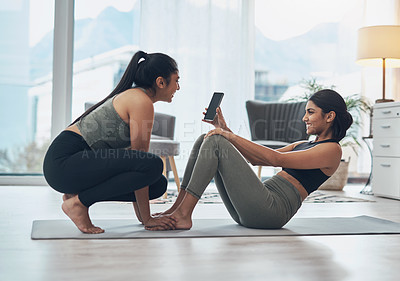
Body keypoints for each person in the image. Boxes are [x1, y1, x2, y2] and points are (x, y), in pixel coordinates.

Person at [155, 89, 353, 230]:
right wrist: (225, 129)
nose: (304, 118)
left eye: (310, 112)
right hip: (256, 205)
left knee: (216, 140)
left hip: (272, 211)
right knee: (205, 140)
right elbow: (257, 159)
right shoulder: (303, 143)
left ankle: (184, 215)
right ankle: (177, 209)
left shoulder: (332, 150)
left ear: (329, 116)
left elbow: (275, 158)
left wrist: (227, 136)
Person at [43, 50, 179, 233]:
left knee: (158, 184)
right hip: (64, 162)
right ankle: (79, 203)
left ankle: (75, 197)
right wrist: (147, 219)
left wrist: (144, 219)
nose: (178, 87)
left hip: (68, 167)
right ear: (160, 82)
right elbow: (141, 160)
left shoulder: (136, 96)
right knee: (153, 165)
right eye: (176, 80)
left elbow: (136, 164)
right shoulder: (141, 101)